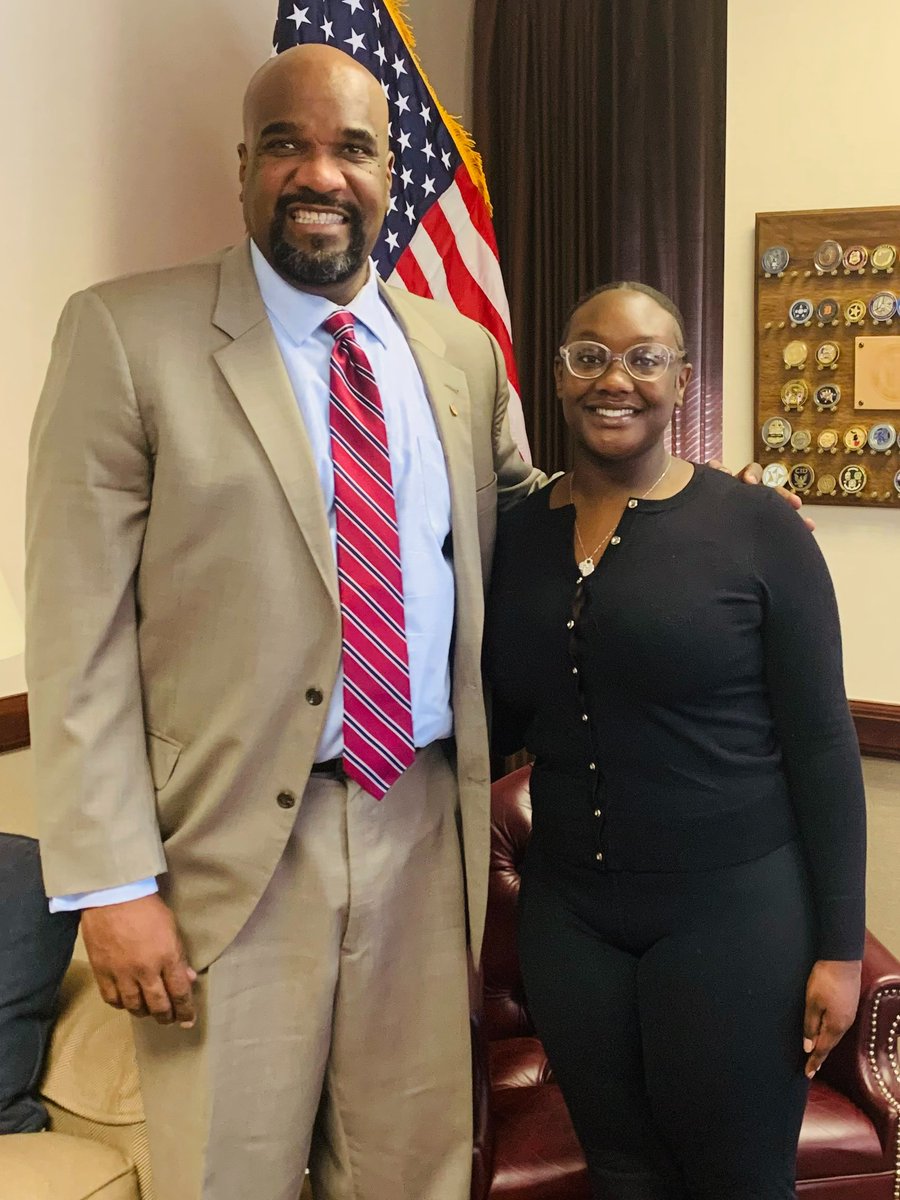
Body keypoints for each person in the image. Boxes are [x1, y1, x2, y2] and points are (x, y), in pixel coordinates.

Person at [25, 43, 541, 1200]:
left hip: (421, 827)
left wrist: (710, 511)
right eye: (286, 144)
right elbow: (77, 631)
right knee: (230, 1179)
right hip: (223, 857)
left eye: (351, 147)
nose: (320, 172)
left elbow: (543, 524)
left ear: (390, 169)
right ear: (242, 167)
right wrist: (111, 885)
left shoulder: (456, 355)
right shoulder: (126, 337)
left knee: (414, 1177)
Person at [484, 282, 866, 1200]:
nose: (617, 379)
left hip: (733, 918)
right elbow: (495, 718)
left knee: (736, 1178)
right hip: (572, 923)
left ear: (682, 380)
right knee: (619, 1172)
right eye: (591, 356)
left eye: (646, 357)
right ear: (558, 376)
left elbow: (823, 747)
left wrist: (841, 948)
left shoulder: (760, 529)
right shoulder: (513, 540)